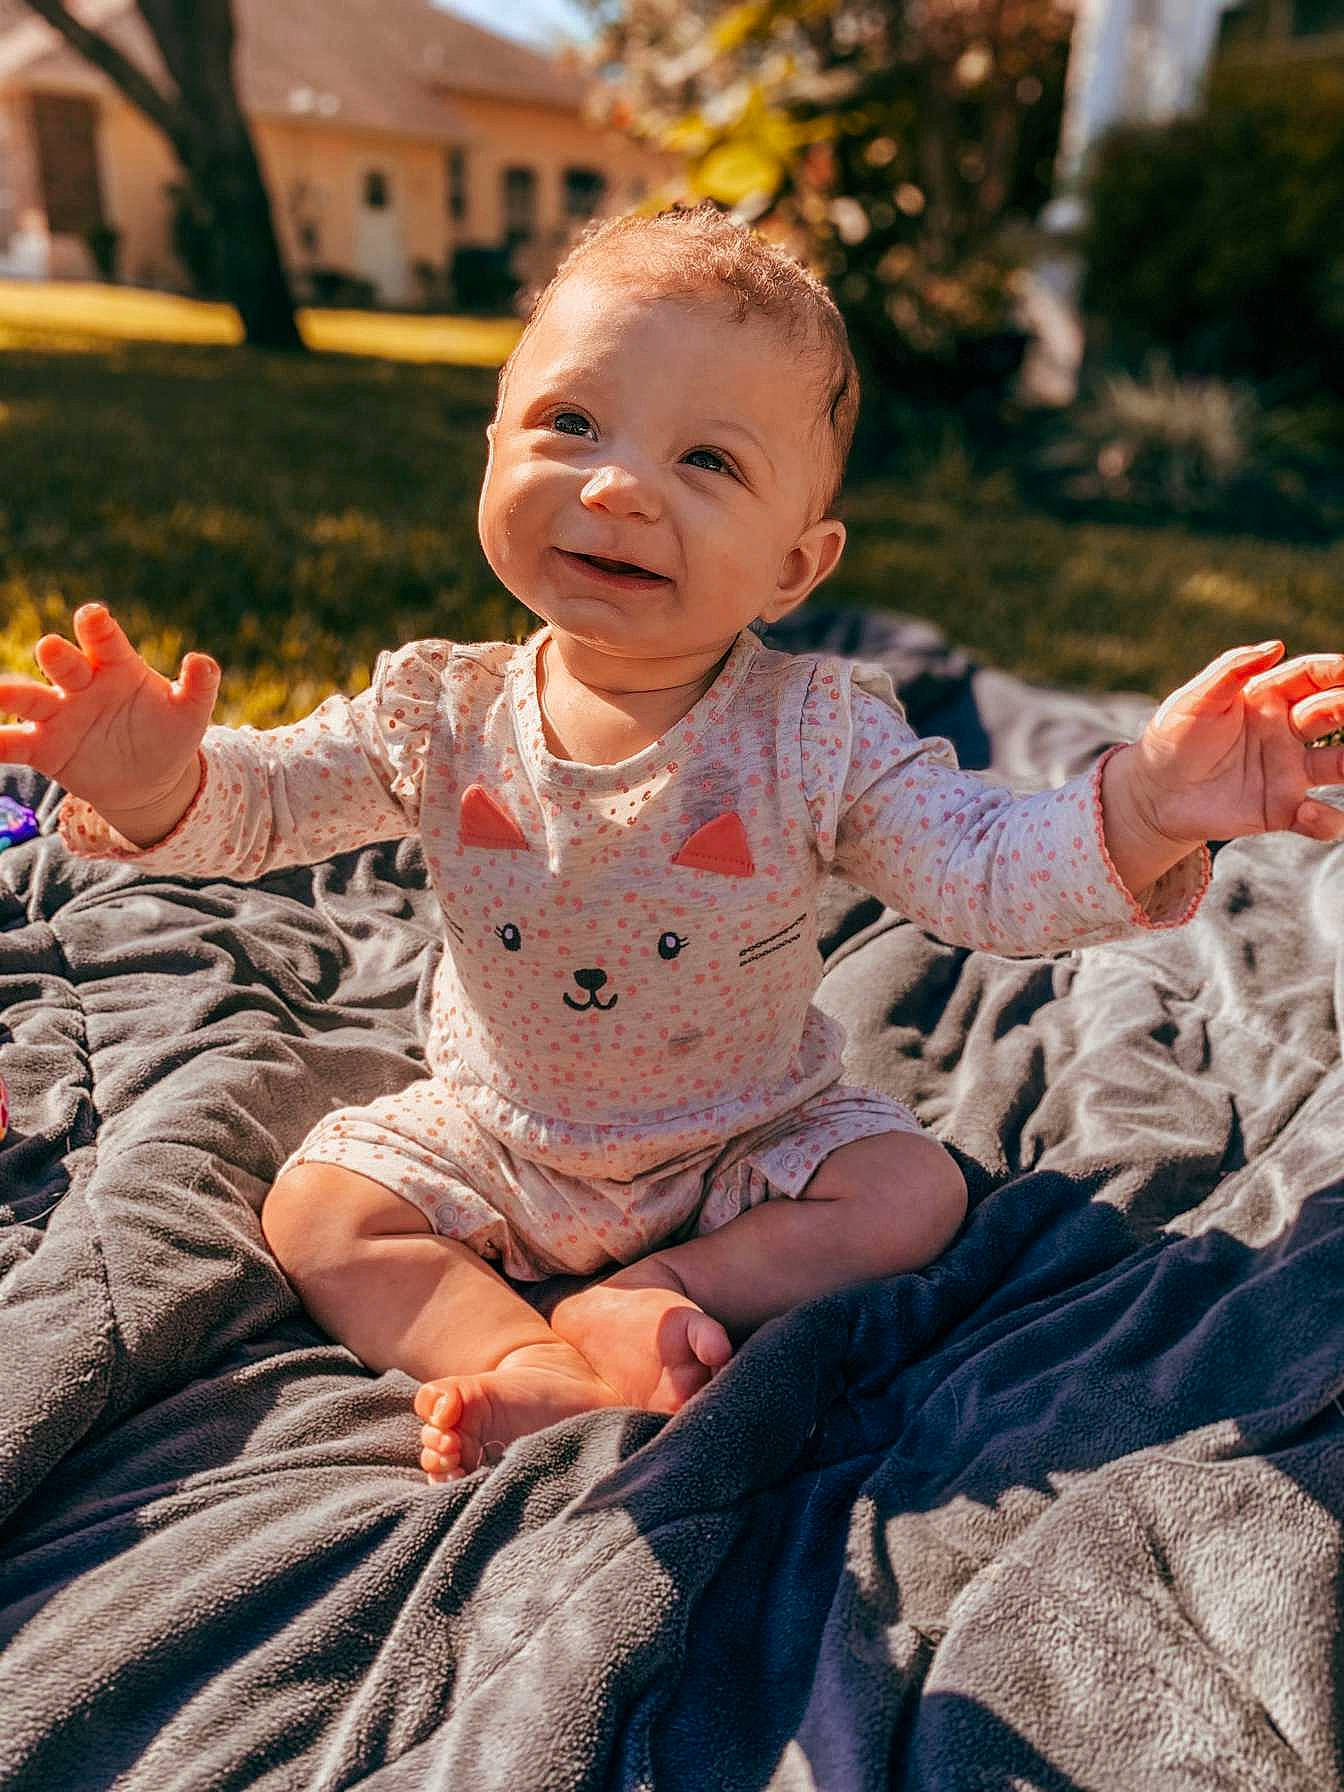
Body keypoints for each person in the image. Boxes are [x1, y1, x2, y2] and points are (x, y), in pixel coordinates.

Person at [4, 205, 1343, 1485]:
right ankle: (530, 1358)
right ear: (493, 448)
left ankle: (662, 1295)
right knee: (319, 1212)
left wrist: (1149, 803)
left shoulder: (816, 734)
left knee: (912, 1190)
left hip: (748, 1141)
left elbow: (986, 867)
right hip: (496, 1132)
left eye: (707, 462)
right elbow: (272, 807)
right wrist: (160, 777)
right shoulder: (438, 712)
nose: (618, 486)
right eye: (570, 422)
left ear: (795, 568)